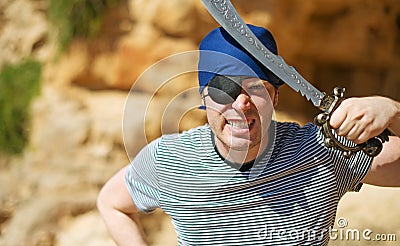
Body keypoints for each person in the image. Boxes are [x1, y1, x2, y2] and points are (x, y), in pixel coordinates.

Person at [97, 24, 400, 245]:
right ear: (204, 98)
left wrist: (393, 111)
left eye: (256, 88)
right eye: (224, 89)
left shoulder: (326, 152)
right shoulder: (171, 161)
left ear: (276, 98)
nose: (241, 104)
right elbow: (111, 203)